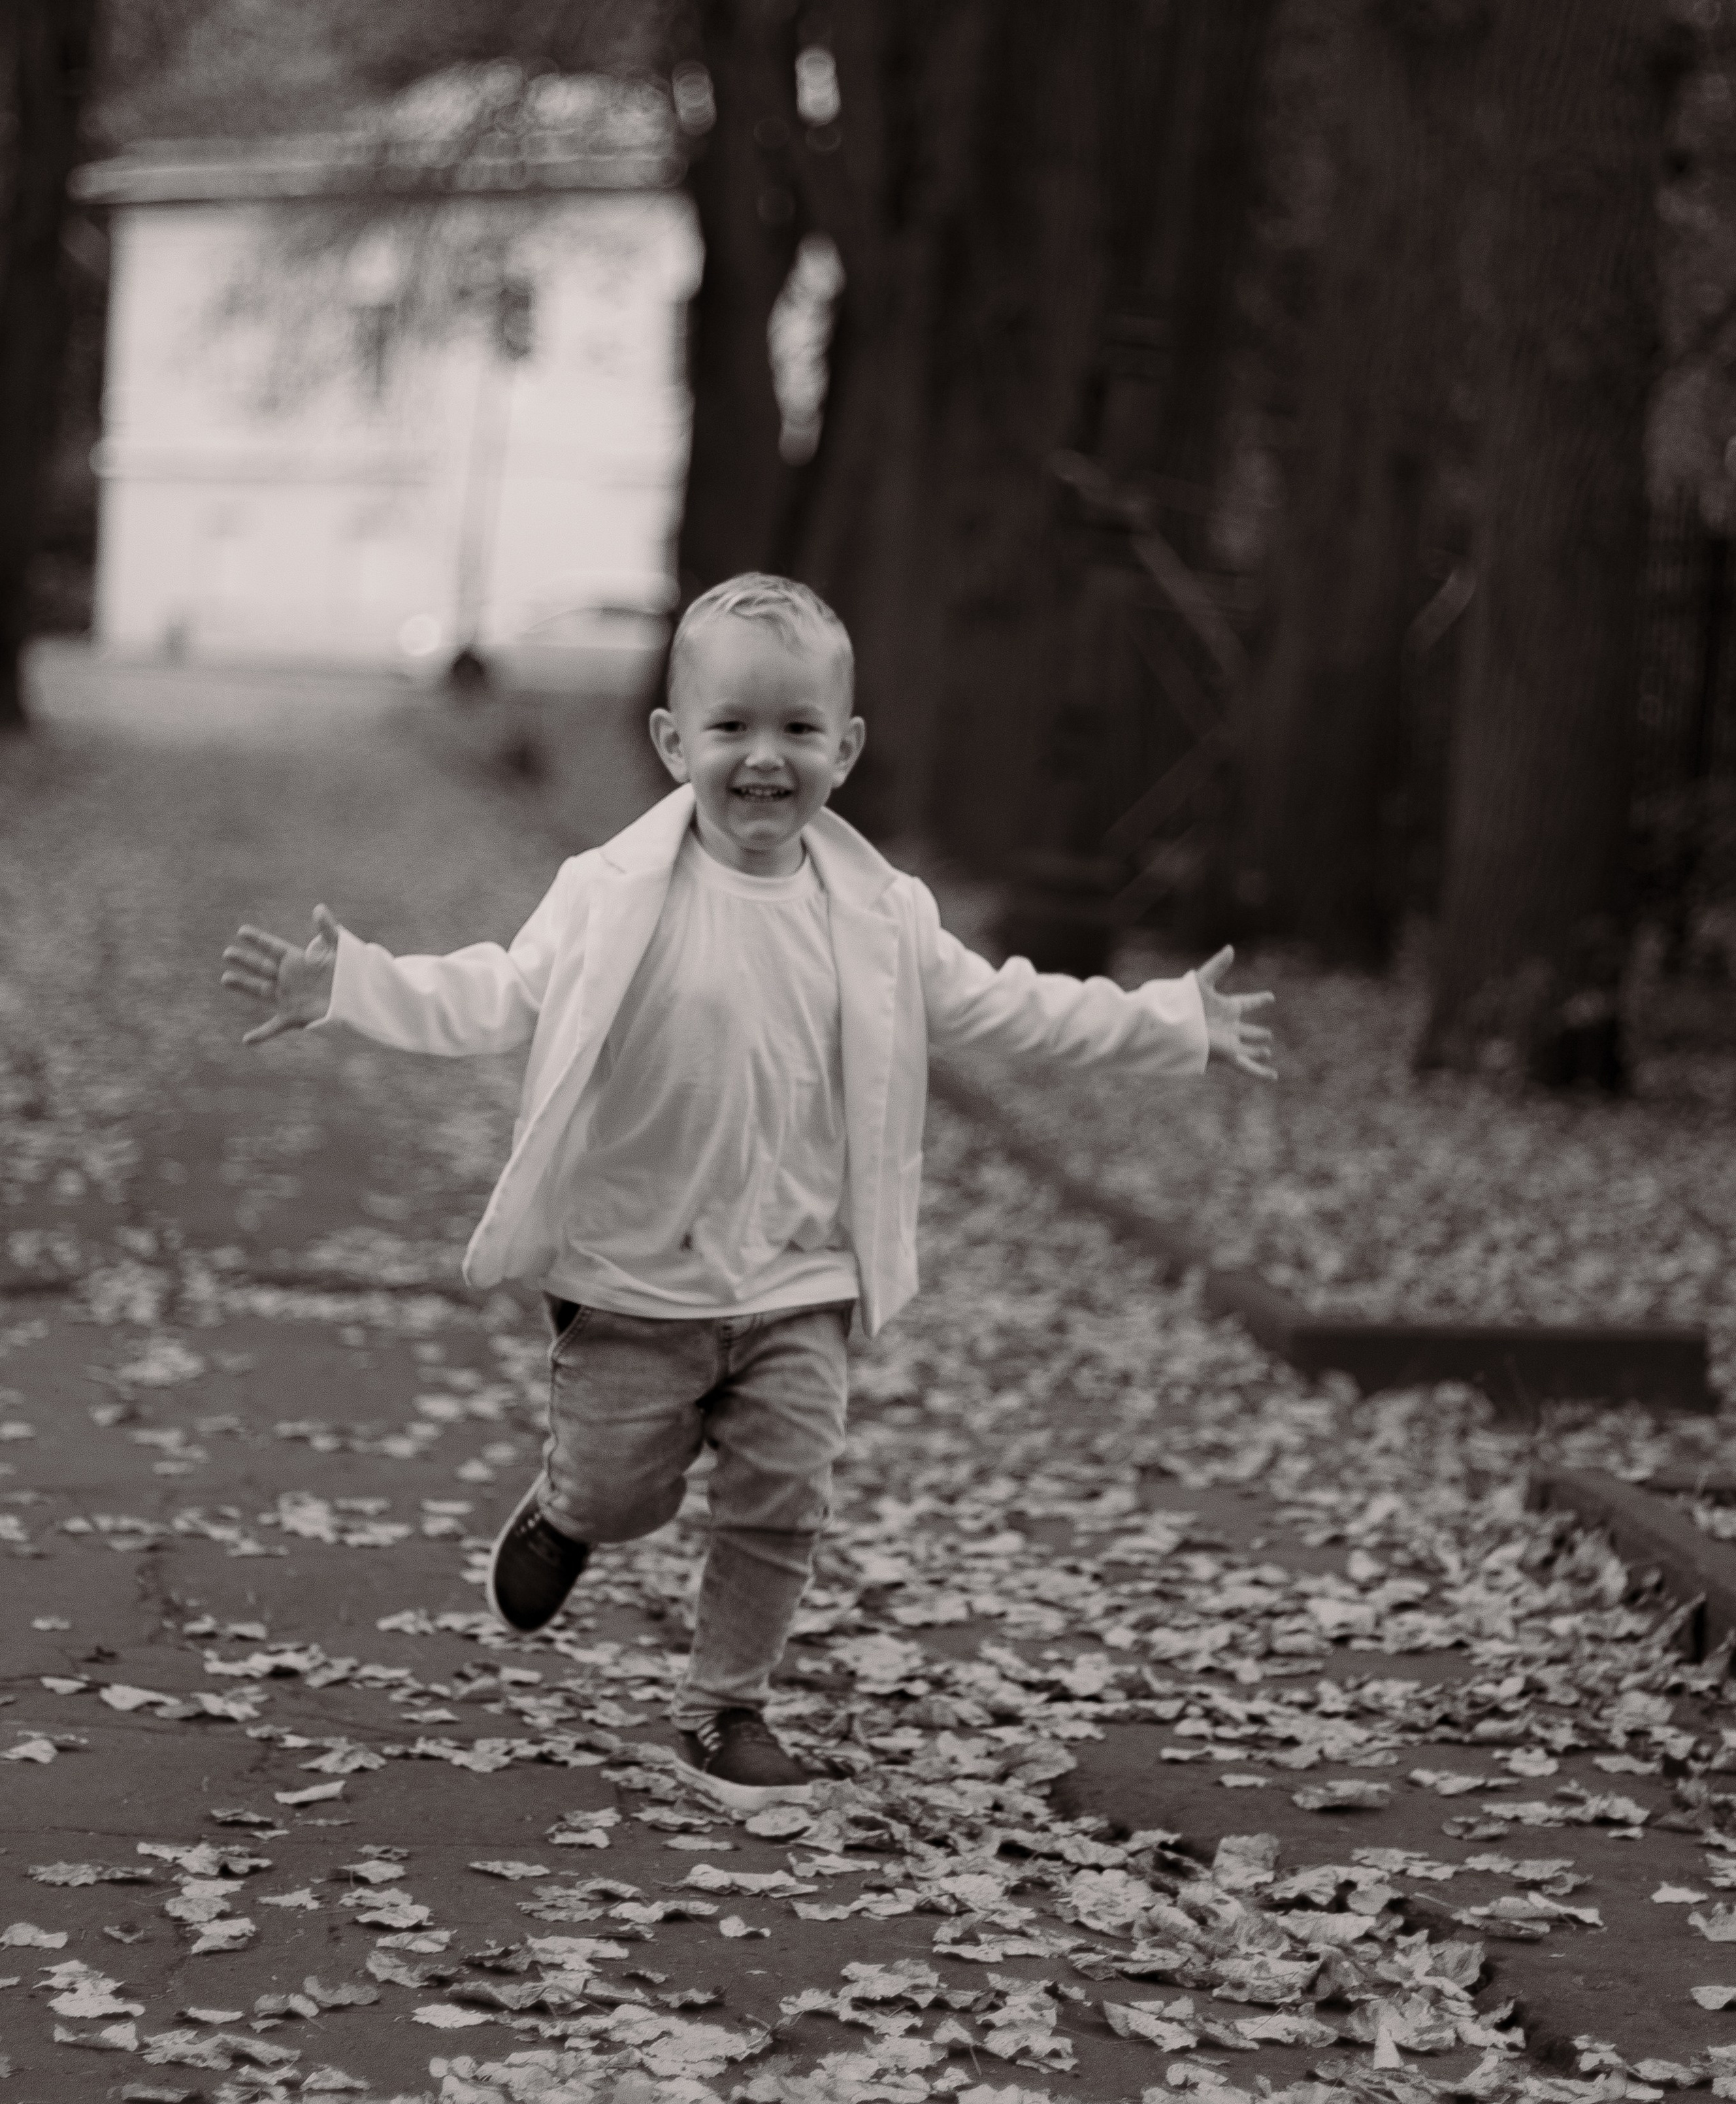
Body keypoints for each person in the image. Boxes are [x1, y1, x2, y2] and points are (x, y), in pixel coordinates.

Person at [220, 574, 1276, 1807]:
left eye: (797, 730)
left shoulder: (879, 916)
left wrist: (1168, 1021)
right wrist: (352, 985)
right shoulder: (615, 896)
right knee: (628, 1488)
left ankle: (725, 1709)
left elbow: (1007, 1001)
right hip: (632, 1276)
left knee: (783, 1494)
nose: (764, 759)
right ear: (675, 743)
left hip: (801, 1277)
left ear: (847, 747)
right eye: (731, 729)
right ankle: (570, 1508)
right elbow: (497, 993)